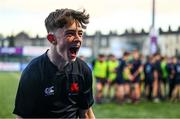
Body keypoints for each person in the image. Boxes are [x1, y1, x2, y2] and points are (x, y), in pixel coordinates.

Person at [13, 8, 95, 118]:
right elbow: (22, 117)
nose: (78, 39)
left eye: (80, 34)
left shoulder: (83, 70)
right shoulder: (33, 72)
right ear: (52, 39)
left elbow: (85, 113)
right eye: (70, 33)